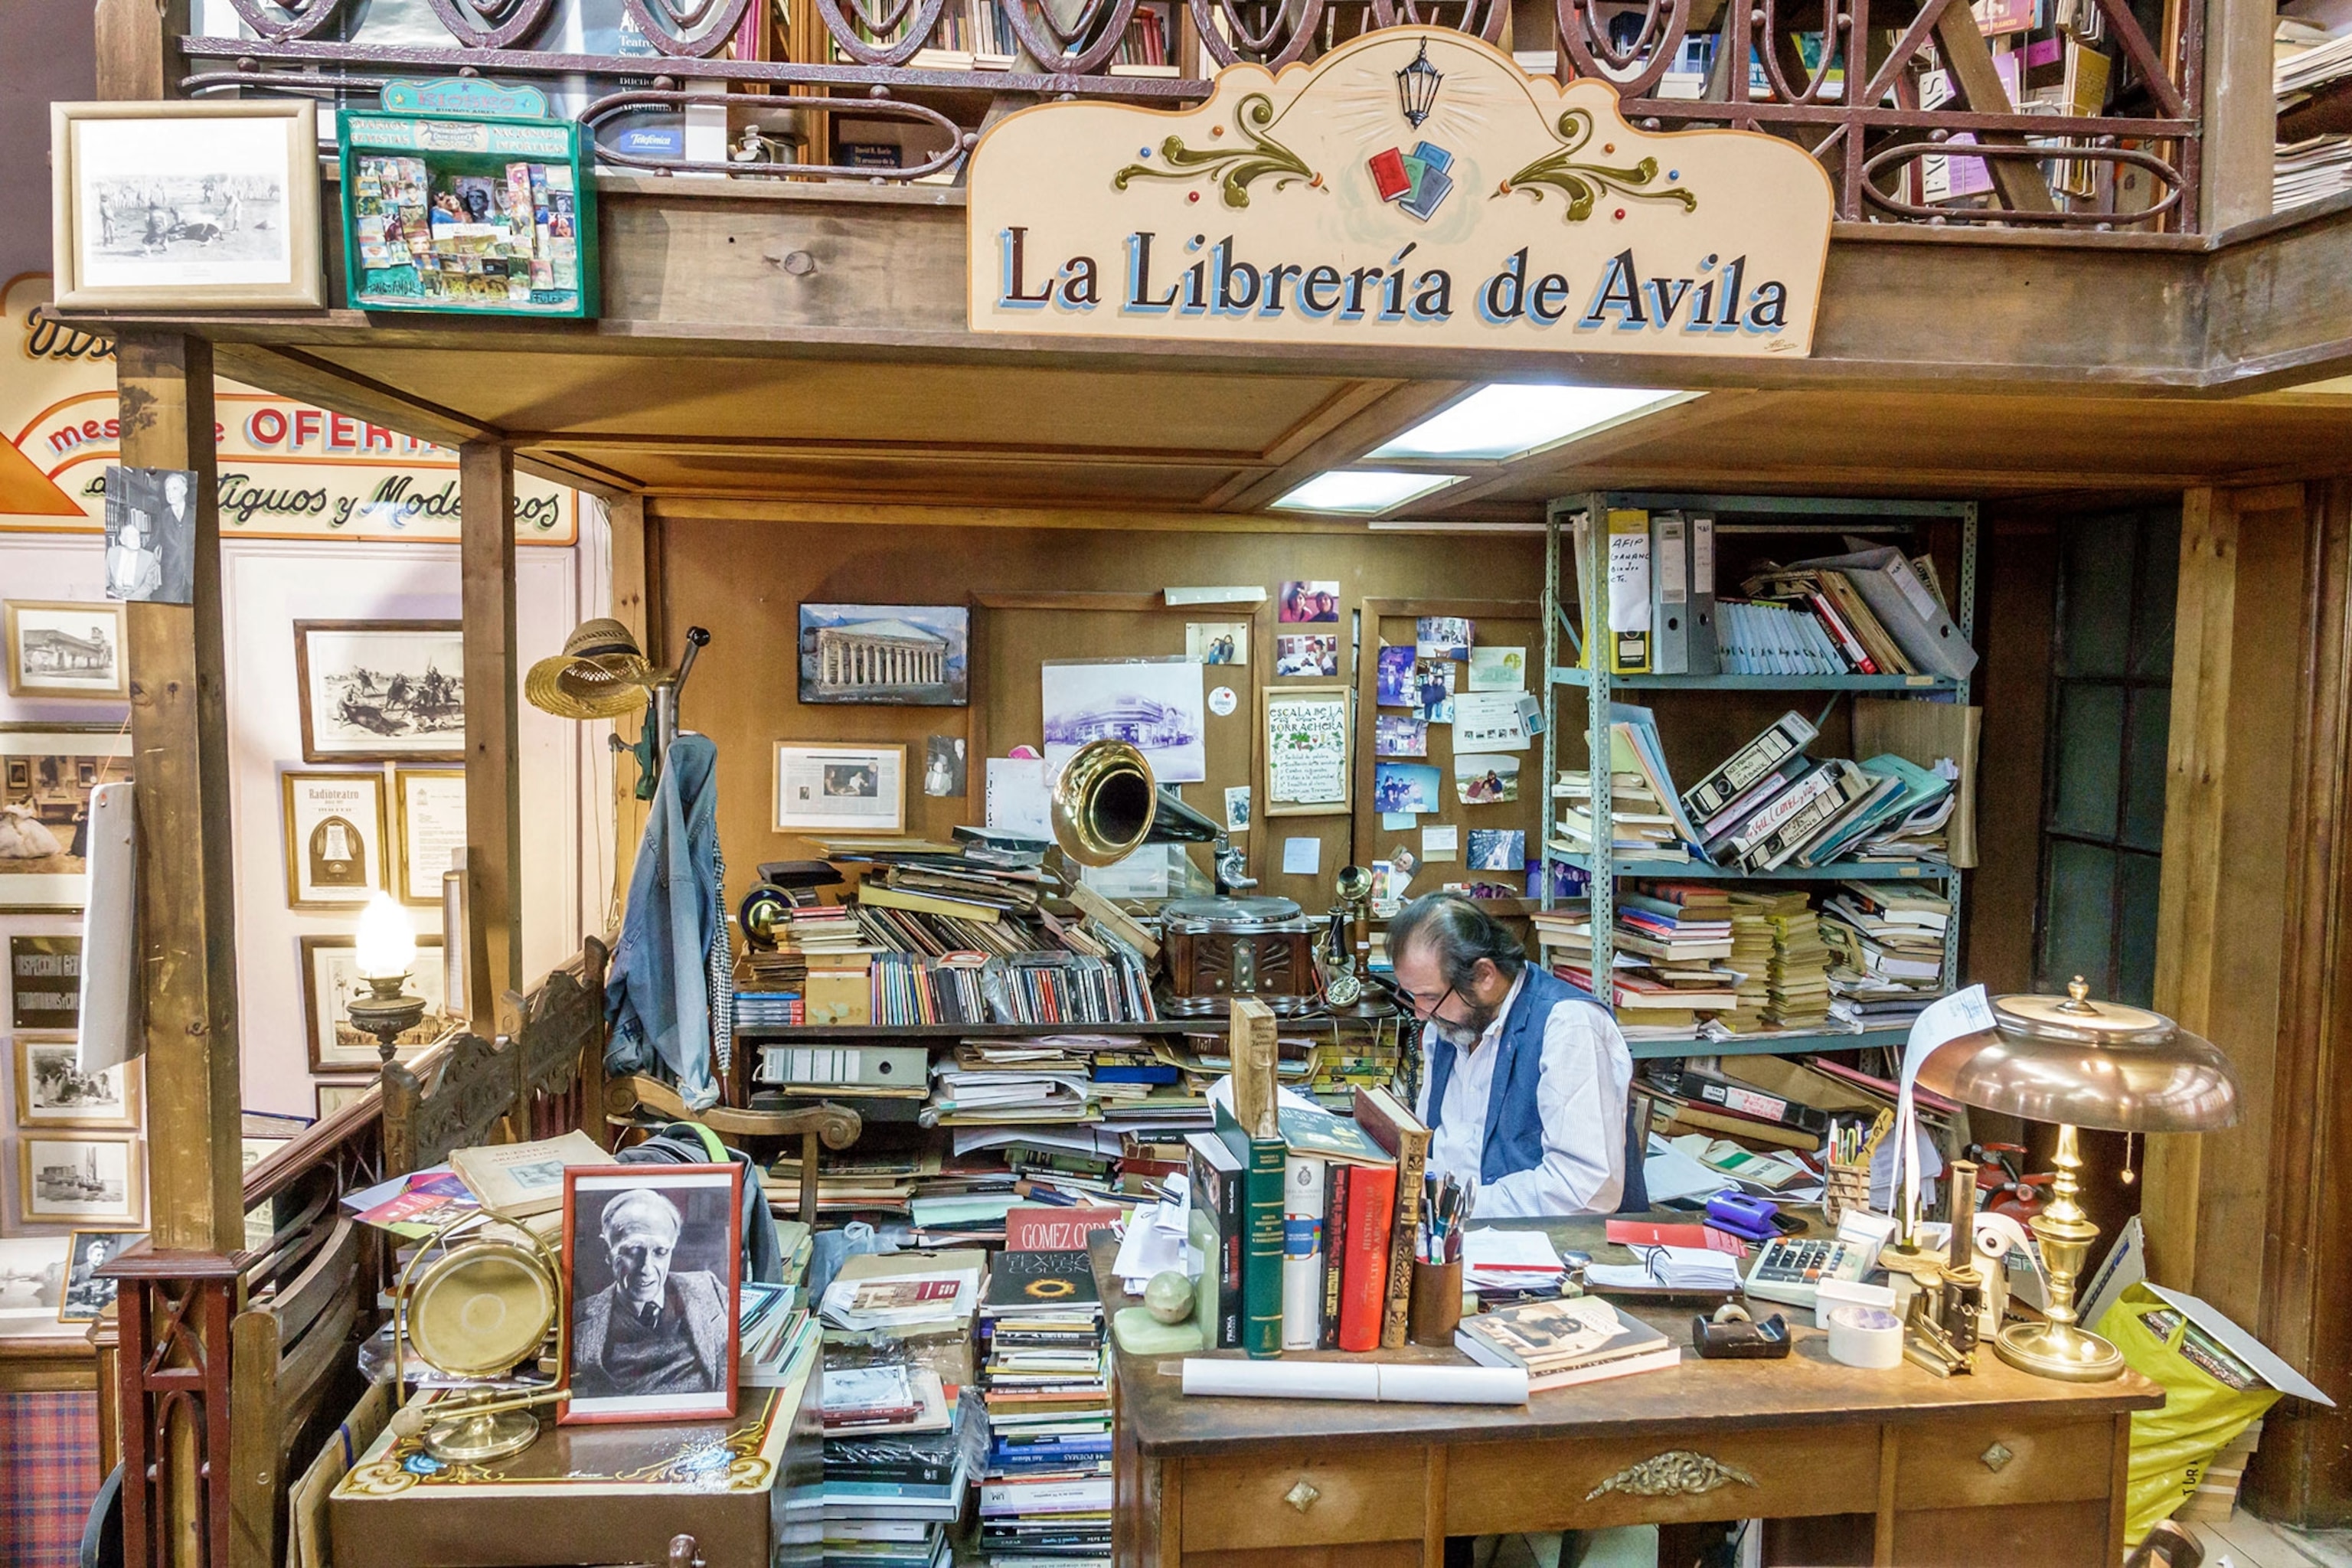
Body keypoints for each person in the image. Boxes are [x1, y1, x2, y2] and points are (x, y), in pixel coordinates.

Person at [1390, 893, 1632, 1216]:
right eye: (1412, 997)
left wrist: (1461, 1206)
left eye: (1429, 997)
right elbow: (1439, 1149)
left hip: (1543, 1246)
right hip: (1451, 1233)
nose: (1420, 1014)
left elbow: (1585, 1188)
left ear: (1484, 975)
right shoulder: (1447, 1024)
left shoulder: (1569, 1026)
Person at [570, 1187, 730, 1399]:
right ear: (606, 1251)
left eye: (660, 1252)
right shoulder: (579, 1317)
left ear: (672, 1248)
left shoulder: (709, 1289)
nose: (646, 1268)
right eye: (632, 1252)